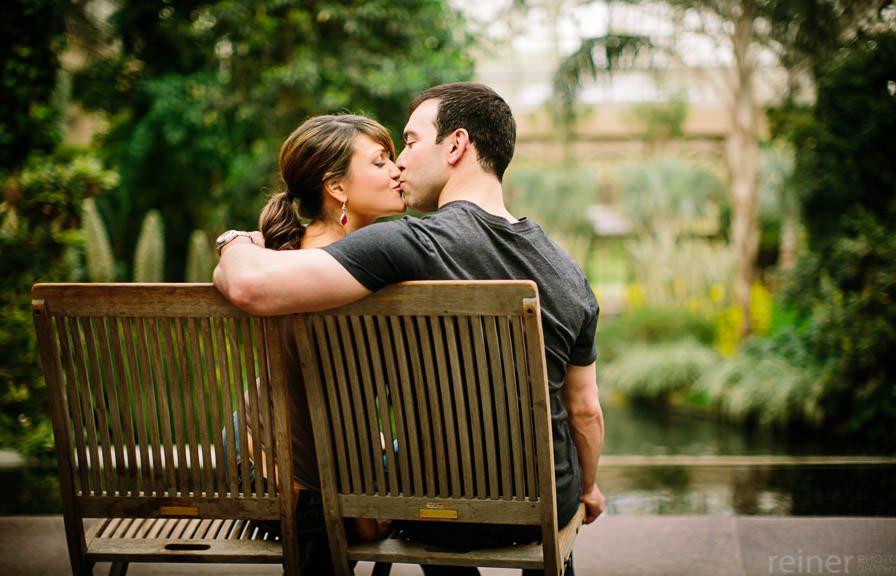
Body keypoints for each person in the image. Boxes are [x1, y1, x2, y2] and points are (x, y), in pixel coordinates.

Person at [214, 82, 606, 575]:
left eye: (412, 142)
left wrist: (234, 241)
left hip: (434, 510)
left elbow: (251, 287)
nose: (401, 163)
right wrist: (587, 487)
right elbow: (585, 412)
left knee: (418, 476)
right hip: (542, 507)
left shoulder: (408, 245)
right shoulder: (569, 274)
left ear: (457, 145)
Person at [218, 113, 404, 572]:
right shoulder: (368, 270)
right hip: (296, 481)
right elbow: (350, 406)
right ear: (337, 188)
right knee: (433, 482)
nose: (397, 170)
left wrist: (233, 241)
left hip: (245, 457)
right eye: (381, 162)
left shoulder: (274, 256)